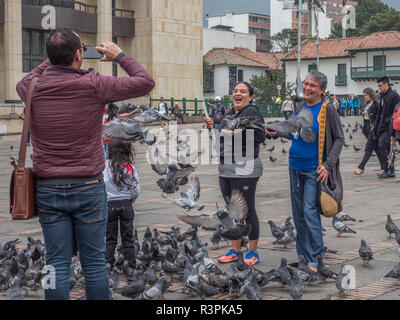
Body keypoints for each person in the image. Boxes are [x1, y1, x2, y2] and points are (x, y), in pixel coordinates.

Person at [16, 28, 155, 300]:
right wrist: (119, 55)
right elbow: (145, 82)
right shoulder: (94, 83)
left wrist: (58, 54)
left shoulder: (30, 87)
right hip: (89, 187)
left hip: (48, 188)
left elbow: (37, 72)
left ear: (49, 57)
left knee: (55, 263)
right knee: (93, 263)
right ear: (79, 54)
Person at [266, 71, 344, 271]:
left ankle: (317, 258)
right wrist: (278, 132)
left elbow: (339, 139)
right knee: (298, 213)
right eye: (306, 83)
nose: (308, 87)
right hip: (295, 167)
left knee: (309, 212)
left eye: (313, 85)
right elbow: (296, 134)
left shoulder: (327, 109)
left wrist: (328, 164)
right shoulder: (300, 107)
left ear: (322, 90)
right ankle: (304, 256)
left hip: (313, 170)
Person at [204, 82, 266, 266]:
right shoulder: (229, 113)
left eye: (243, 91)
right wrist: (212, 126)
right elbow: (220, 135)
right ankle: (235, 249)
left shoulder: (252, 113)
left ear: (251, 97)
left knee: (248, 210)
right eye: (235, 91)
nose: (238, 94)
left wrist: (236, 133)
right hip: (226, 169)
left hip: (245, 168)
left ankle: (253, 252)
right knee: (232, 210)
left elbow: (261, 136)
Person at [104, 138, 140, 268]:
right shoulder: (130, 167)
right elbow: (136, 190)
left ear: (110, 150)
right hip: (126, 205)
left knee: (110, 239)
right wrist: (130, 201)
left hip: (109, 206)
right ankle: (130, 265)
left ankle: (108, 264)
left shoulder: (104, 166)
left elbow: (101, 186)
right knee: (128, 238)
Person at [374, 77, 400, 178]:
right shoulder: (382, 96)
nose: (379, 88)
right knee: (390, 149)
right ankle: (391, 170)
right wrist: (376, 125)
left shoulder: (394, 96)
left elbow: (397, 112)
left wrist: (389, 123)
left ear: (386, 84)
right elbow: (379, 112)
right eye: (378, 86)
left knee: (381, 145)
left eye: (380, 85)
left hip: (391, 126)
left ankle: (386, 169)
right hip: (382, 126)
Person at [353, 88, 383, 175]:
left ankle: (361, 167)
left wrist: (374, 125)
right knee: (377, 149)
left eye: (366, 95)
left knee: (368, 149)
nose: (365, 97)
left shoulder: (377, 104)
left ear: (370, 94)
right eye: (364, 96)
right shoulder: (367, 104)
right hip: (367, 127)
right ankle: (384, 168)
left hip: (373, 129)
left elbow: (379, 117)